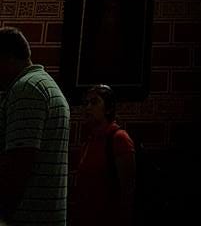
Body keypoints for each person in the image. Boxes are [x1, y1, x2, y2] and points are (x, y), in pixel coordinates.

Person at [0, 26, 70, 225]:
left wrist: (3, 213)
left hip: (28, 216)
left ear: (8, 58)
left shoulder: (26, 89)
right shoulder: (42, 84)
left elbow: (20, 161)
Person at [71, 84, 135, 226]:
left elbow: (127, 190)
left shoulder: (119, 138)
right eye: (86, 103)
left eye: (94, 102)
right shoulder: (89, 141)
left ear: (109, 108)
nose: (88, 107)